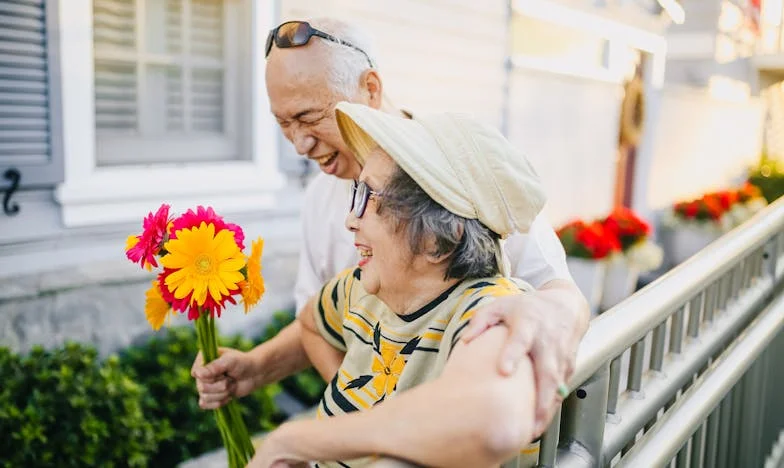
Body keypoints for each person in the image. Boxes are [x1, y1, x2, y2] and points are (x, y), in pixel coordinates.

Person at [193, 17, 588, 438]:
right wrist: (260, 369)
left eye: (309, 117)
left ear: (371, 89)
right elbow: (321, 316)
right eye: (283, 124)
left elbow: (558, 293)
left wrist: (551, 312)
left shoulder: (458, 172)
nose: (299, 144)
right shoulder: (319, 198)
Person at [250, 101, 545, 467]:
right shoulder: (361, 288)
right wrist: (352, 403)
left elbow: (491, 423)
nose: (350, 220)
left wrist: (296, 440)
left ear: (440, 240)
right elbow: (312, 322)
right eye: (353, 194)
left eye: (367, 197)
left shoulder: (486, 310)